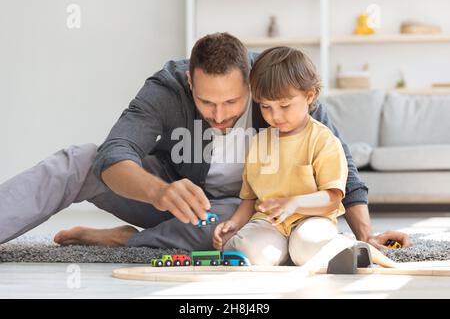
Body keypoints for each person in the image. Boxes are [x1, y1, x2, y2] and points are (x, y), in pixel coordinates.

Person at [0, 32, 410, 251]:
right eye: (205, 101)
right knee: (80, 159)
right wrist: (159, 191)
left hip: (240, 211)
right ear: (189, 82)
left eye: (232, 101)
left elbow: (345, 171)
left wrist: (364, 235)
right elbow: (115, 153)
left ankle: (125, 239)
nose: (219, 115)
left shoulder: (278, 86)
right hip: (169, 202)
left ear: (251, 84)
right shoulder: (167, 86)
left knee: (246, 229)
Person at [213, 46, 349, 265]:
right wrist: (234, 223)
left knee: (308, 246)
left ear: (309, 95)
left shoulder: (323, 140)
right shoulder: (258, 143)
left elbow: (332, 199)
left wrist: (294, 203)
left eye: (285, 105)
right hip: (269, 222)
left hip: (312, 219)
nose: (275, 116)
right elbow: (249, 199)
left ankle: (334, 245)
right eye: (265, 106)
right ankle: (282, 252)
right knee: (251, 251)